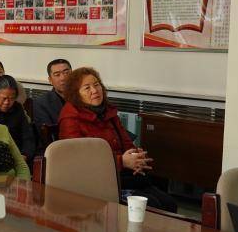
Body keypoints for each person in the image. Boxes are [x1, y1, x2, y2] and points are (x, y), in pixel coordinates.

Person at [58, 68, 177, 212]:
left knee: (169, 203)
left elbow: (126, 143)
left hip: (122, 176)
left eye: (97, 85)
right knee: (153, 205)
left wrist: (136, 157)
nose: (95, 90)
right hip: (96, 181)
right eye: (87, 88)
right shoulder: (70, 118)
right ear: (76, 94)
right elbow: (80, 160)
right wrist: (122, 161)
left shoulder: (107, 111)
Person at [0, 75, 36, 160]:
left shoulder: (17, 108)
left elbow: (27, 136)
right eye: (3, 98)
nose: (7, 102)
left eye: (11, 98)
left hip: (17, 157)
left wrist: (25, 155)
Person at [33, 59, 72, 127]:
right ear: (50, 80)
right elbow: (47, 134)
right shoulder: (42, 103)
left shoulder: (85, 96)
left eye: (66, 73)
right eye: (57, 75)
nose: (63, 78)